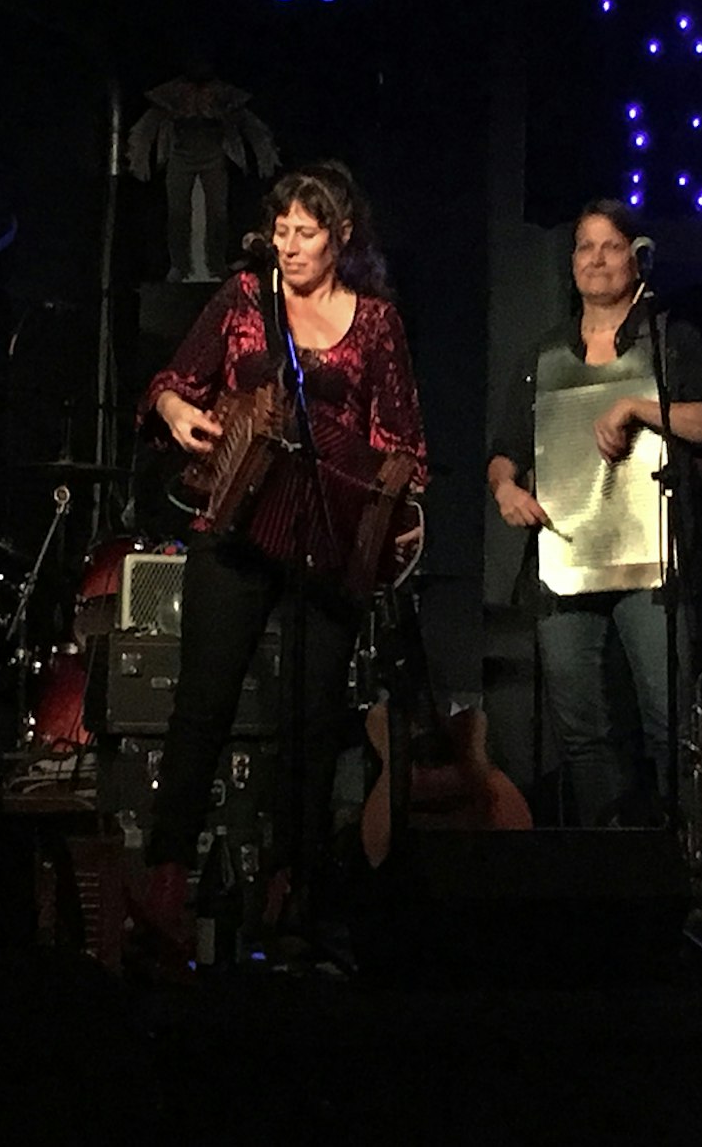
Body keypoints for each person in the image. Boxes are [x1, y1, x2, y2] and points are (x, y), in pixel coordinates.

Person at [138, 161, 426, 961]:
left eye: (306, 232)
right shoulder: (241, 298)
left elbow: (404, 442)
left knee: (311, 721)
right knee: (204, 704)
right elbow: (171, 380)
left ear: (341, 237)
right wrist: (175, 410)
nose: (289, 245)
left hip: (326, 541)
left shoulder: (376, 325)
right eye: (283, 231)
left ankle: (290, 885)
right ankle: (164, 878)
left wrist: (392, 510)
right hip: (234, 523)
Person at [487, 200, 702, 829]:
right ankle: (613, 866)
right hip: (564, 558)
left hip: (653, 563)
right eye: (584, 247)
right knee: (584, 736)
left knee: (671, 726)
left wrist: (635, 406)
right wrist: (505, 491)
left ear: (636, 256)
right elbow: (505, 453)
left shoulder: (669, 339)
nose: (596, 259)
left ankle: (691, 868)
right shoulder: (545, 351)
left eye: (610, 246)